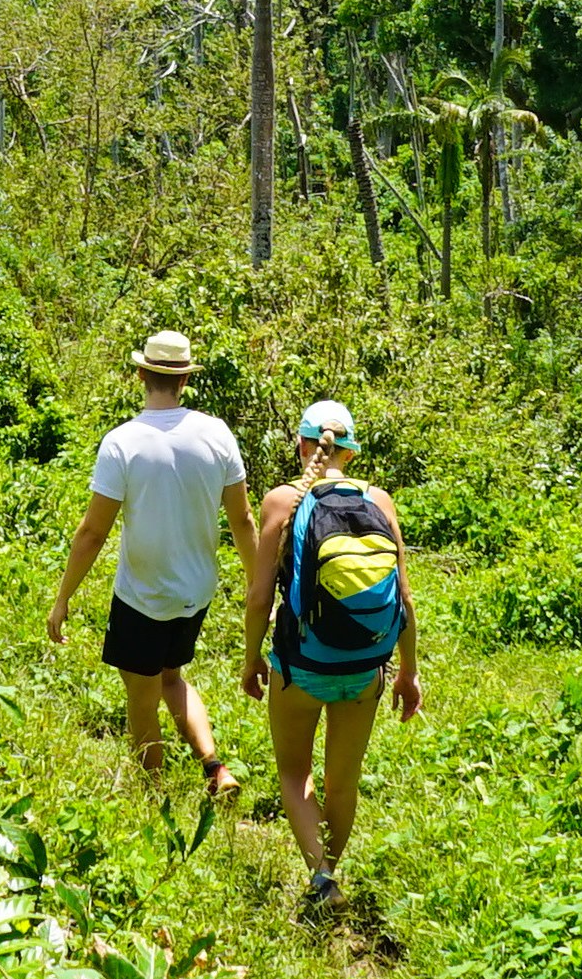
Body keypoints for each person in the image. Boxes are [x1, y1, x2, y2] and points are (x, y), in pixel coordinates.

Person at [50, 329, 255, 797]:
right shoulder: (216, 433)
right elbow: (242, 519)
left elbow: (92, 532)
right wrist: (257, 583)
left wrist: (63, 599)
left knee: (142, 701)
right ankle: (215, 767)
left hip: (142, 595)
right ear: (184, 380)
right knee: (171, 677)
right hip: (196, 590)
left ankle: (154, 796)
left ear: (141, 374)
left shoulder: (123, 442)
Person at [243, 401, 418, 919]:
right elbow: (405, 600)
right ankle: (330, 870)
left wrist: (251, 659)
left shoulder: (282, 501)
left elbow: (258, 598)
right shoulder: (379, 500)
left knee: (295, 773)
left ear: (303, 444)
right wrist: (407, 671)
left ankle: (321, 874)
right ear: (351, 448)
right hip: (367, 666)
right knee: (344, 781)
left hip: (300, 665)